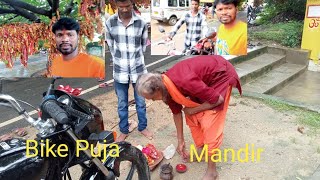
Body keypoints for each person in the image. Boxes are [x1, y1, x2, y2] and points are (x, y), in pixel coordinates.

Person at [136, 56, 242, 180]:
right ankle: (202, 151)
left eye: (153, 98)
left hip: (220, 75)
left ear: (158, 88)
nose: (154, 101)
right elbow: (177, 112)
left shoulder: (184, 80)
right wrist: (180, 140)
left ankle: (212, 172)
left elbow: (217, 100)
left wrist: (192, 109)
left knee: (210, 123)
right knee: (193, 117)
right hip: (203, 83)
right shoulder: (166, 87)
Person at [105, 0, 152, 142]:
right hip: (120, 71)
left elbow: (144, 46)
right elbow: (111, 45)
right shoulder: (110, 23)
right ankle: (124, 130)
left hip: (138, 71)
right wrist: (120, 59)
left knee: (141, 101)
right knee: (122, 103)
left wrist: (135, 58)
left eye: (127, 6)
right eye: (121, 7)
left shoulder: (141, 23)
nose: (125, 10)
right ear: (116, 6)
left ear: (132, 5)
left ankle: (143, 127)